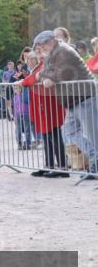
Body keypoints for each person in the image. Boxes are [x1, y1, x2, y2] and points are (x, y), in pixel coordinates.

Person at [32, 30, 97, 177]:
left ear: (49, 42)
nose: (42, 51)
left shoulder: (63, 51)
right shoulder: (54, 52)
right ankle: (95, 159)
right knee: (69, 132)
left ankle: (95, 164)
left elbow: (59, 73)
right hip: (72, 99)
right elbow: (45, 72)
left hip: (83, 96)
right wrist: (43, 78)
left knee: (93, 135)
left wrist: (46, 78)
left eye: (42, 47)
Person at [15, 49, 68, 177]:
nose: (29, 62)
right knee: (46, 136)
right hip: (43, 105)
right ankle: (49, 165)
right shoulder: (40, 66)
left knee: (54, 135)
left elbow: (34, 78)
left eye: (30, 59)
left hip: (49, 105)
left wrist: (23, 82)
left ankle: (62, 167)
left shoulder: (47, 65)